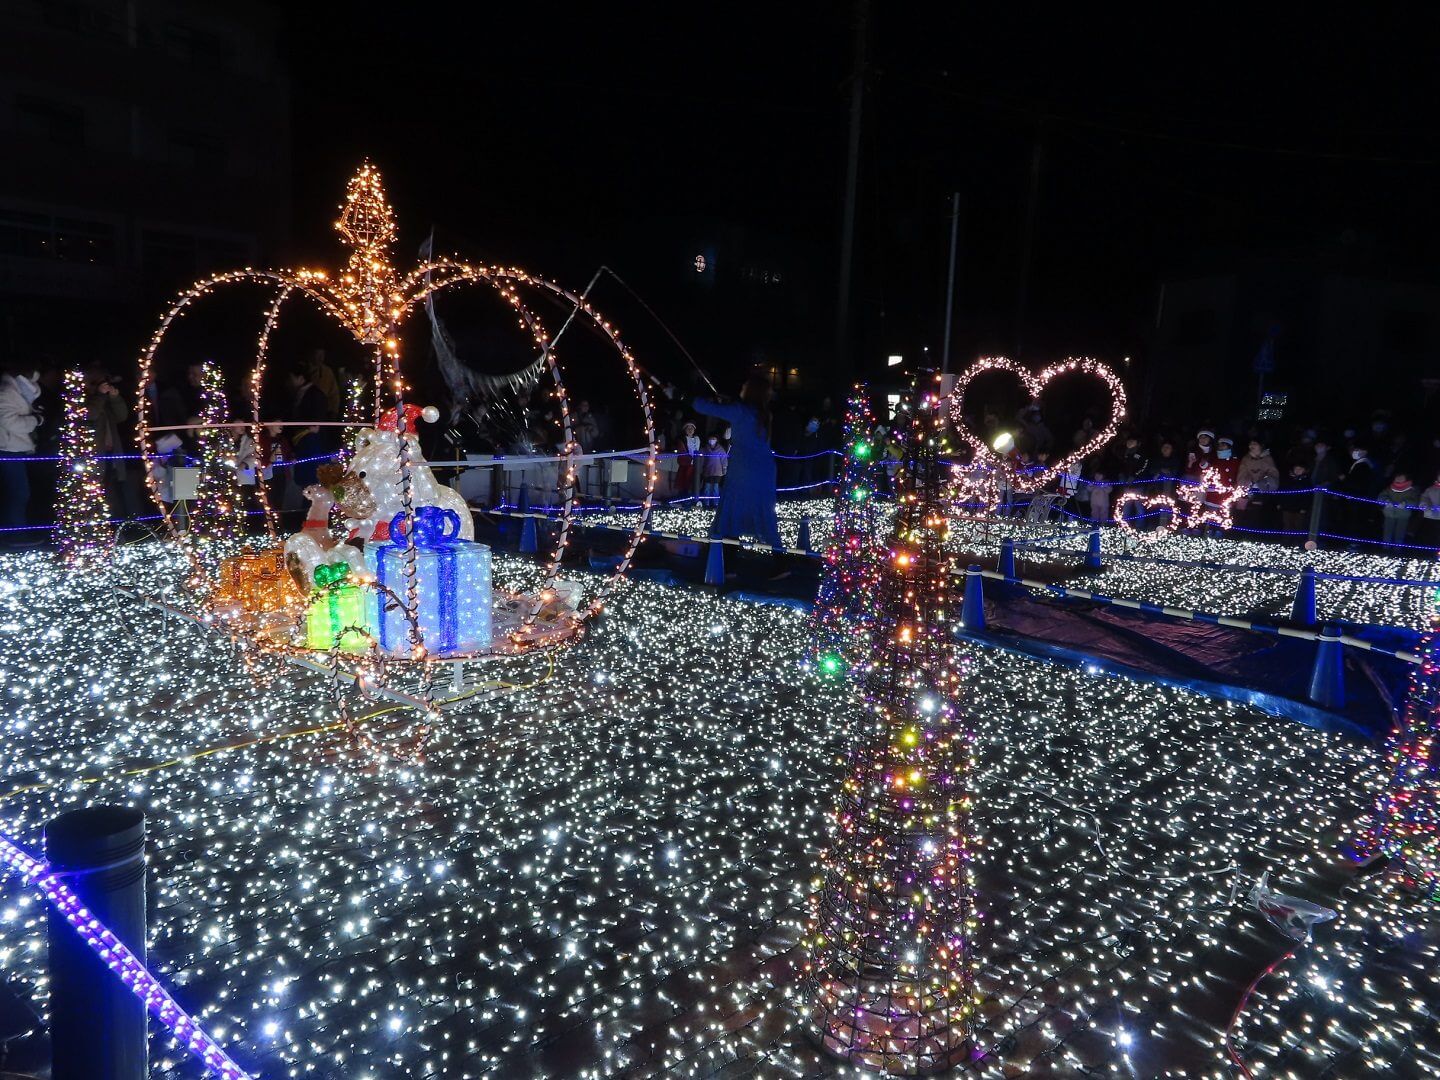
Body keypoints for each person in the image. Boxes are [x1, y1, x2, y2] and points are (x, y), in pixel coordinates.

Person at [692, 371, 781, 548]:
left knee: (731, 511)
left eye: (746, 385)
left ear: (752, 390)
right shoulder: (763, 413)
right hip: (765, 470)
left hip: (743, 469)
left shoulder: (740, 410)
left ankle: (727, 561)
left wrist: (681, 396)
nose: (742, 387)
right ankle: (780, 561)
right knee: (765, 514)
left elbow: (704, 407)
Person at [0, 358, 42, 538]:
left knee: (17, 492)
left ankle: (16, 532)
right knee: (18, 493)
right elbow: (9, 421)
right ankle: (16, 535)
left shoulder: (17, 391)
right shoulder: (7, 392)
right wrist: (35, 420)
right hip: (8, 448)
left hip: (15, 447)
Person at [1234, 440, 1279, 531]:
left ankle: (1252, 534)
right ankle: (1237, 532)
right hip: (1246, 488)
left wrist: (1262, 482)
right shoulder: (1246, 458)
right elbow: (1242, 472)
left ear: (1260, 446)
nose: (1251, 446)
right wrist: (1247, 482)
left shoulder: (1268, 459)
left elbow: (1273, 473)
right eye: (1250, 443)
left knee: (1255, 513)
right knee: (1240, 511)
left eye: (1254, 444)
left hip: (1260, 490)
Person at [1378, 473, 1416, 548]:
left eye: (1401, 478)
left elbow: (1415, 502)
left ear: (1406, 480)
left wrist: (1405, 503)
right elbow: (1381, 496)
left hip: (1403, 516)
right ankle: (1386, 549)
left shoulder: (1412, 490)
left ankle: (1397, 549)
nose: (1398, 480)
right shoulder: (1390, 488)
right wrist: (1386, 501)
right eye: (1397, 478)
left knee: (1400, 533)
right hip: (1389, 514)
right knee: (1387, 532)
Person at [674, 420, 701, 498]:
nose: (690, 430)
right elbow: (682, 451)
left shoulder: (697, 439)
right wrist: (689, 459)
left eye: (691, 428)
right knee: (684, 481)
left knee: (693, 482)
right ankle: (683, 498)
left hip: (696, 464)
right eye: (688, 428)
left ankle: (691, 498)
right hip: (686, 464)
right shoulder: (682, 440)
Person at [1419, 472, 1440, 549]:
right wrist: (1424, 505)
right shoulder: (1431, 489)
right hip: (1431, 516)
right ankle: (1431, 553)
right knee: (1432, 536)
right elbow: (1424, 498)